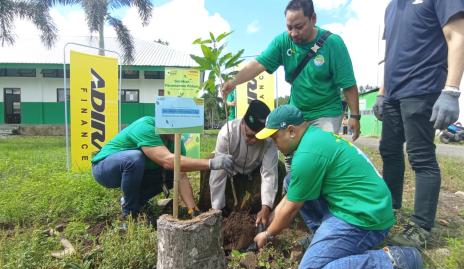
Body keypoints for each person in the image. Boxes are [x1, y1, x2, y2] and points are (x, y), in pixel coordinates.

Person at [253, 105, 423, 269]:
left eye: (275, 138)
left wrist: (267, 234)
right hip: (360, 204)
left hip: (365, 218)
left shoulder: (307, 155)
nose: (274, 145)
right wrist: (270, 218)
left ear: (291, 131)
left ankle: (394, 261)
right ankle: (325, 240)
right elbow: (292, 196)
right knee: (291, 181)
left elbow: (291, 208)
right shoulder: (314, 138)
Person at [373, 0, 464, 248]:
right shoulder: (392, 7)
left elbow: (457, 35)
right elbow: (390, 53)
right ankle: (390, 208)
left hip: (422, 88)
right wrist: (382, 92)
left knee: (421, 157)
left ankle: (422, 226)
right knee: (389, 151)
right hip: (393, 93)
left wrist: (452, 91)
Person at [222, 0, 361, 142]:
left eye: (299, 27)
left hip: (326, 112)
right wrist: (234, 82)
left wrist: (355, 116)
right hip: (297, 113)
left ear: (313, 19)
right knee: (290, 153)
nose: (293, 33)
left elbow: (348, 84)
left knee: (319, 151)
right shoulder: (283, 42)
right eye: (289, 27)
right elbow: (258, 64)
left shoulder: (333, 44)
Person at [91, 116, 234, 219]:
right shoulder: (146, 126)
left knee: (173, 175)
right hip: (104, 168)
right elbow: (168, 161)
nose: (179, 133)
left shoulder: (176, 141)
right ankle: (129, 214)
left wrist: (193, 210)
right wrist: (211, 163)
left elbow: (181, 176)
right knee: (134, 159)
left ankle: (135, 202)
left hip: (133, 172)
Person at [199, 100, 283, 226]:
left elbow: (269, 174)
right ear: (242, 122)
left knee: (280, 168)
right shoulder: (227, 132)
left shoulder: (269, 140)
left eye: (257, 137)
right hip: (231, 170)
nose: (252, 141)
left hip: (254, 171)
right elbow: (218, 174)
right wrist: (217, 210)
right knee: (210, 161)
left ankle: (267, 214)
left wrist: (266, 207)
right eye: (249, 135)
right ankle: (211, 209)